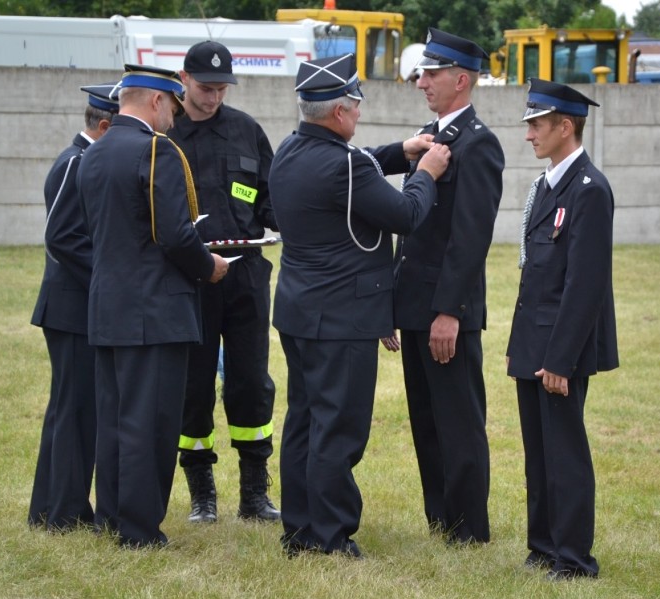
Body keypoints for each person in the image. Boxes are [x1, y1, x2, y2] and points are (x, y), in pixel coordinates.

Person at [269, 54, 450, 558]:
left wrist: (401, 151)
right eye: (355, 107)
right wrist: (427, 171)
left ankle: (301, 530)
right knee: (338, 427)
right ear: (340, 114)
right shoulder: (344, 166)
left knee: (304, 421)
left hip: (300, 311)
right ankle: (331, 536)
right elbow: (406, 213)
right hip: (341, 317)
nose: (359, 117)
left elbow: (359, 163)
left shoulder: (290, 148)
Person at [77, 64, 229, 548]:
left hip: (107, 306)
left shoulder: (93, 153)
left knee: (116, 419)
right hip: (155, 311)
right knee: (152, 423)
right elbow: (174, 233)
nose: (173, 119)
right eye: (173, 108)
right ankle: (139, 530)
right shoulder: (157, 150)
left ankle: (112, 516)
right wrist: (208, 267)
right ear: (158, 102)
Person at [391, 28, 505, 545]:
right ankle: (440, 520)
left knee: (458, 421)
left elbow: (469, 239)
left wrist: (450, 312)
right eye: (422, 74)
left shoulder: (478, 145)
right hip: (414, 305)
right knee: (426, 421)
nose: (422, 83)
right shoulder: (428, 137)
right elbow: (412, 224)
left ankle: (468, 530)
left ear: (461, 80)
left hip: (444, 311)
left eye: (431, 74)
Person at [506, 78, 619, 580]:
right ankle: (544, 546)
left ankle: (574, 559)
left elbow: (585, 285)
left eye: (536, 124)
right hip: (534, 336)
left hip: (560, 347)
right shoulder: (548, 185)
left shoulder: (590, 190)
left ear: (564, 126)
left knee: (565, 452)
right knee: (539, 451)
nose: (529, 134)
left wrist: (560, 359)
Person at [168, 40, 280, 524]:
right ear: (184, 79)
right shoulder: (166, 133)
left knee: (251, 381)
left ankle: (255, 492)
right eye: (204, 88)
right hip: (188, 279)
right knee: (193, 385)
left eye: (220, 89)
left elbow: (271, 198)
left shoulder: (246, 131)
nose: (212, 98)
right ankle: (201, 494)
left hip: (246, 274)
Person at [28, 83, 118, 531]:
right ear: (104, 125)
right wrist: (106, 275)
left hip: (77, 306)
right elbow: (60, 237)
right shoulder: (77, 162)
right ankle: (62, 512)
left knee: (74, 409)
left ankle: (53, 508)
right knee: (75, 410)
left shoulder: (85, 160)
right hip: (71, 308)